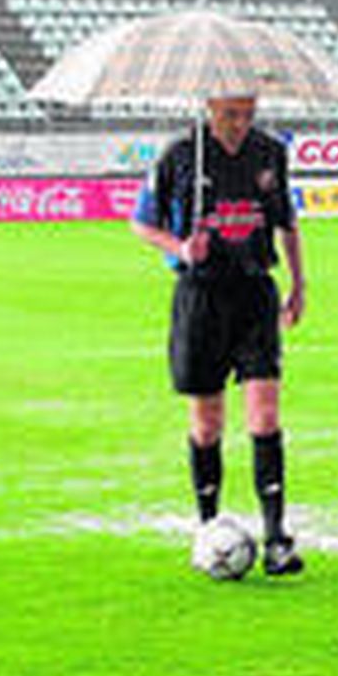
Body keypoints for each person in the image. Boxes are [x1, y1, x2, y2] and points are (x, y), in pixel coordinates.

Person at [130, 94, 306, 576]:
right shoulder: (180, 155)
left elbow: (286, 222)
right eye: (230, 114)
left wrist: (298, 283)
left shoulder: (270, 151)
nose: (240, 123)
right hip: (201, 298)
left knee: (265, 416)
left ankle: (276, 539)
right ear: (210, 108)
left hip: (254, 294)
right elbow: (141, 223)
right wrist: (181, 248)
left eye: (248, 113)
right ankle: (209, 528)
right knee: (207, 425)